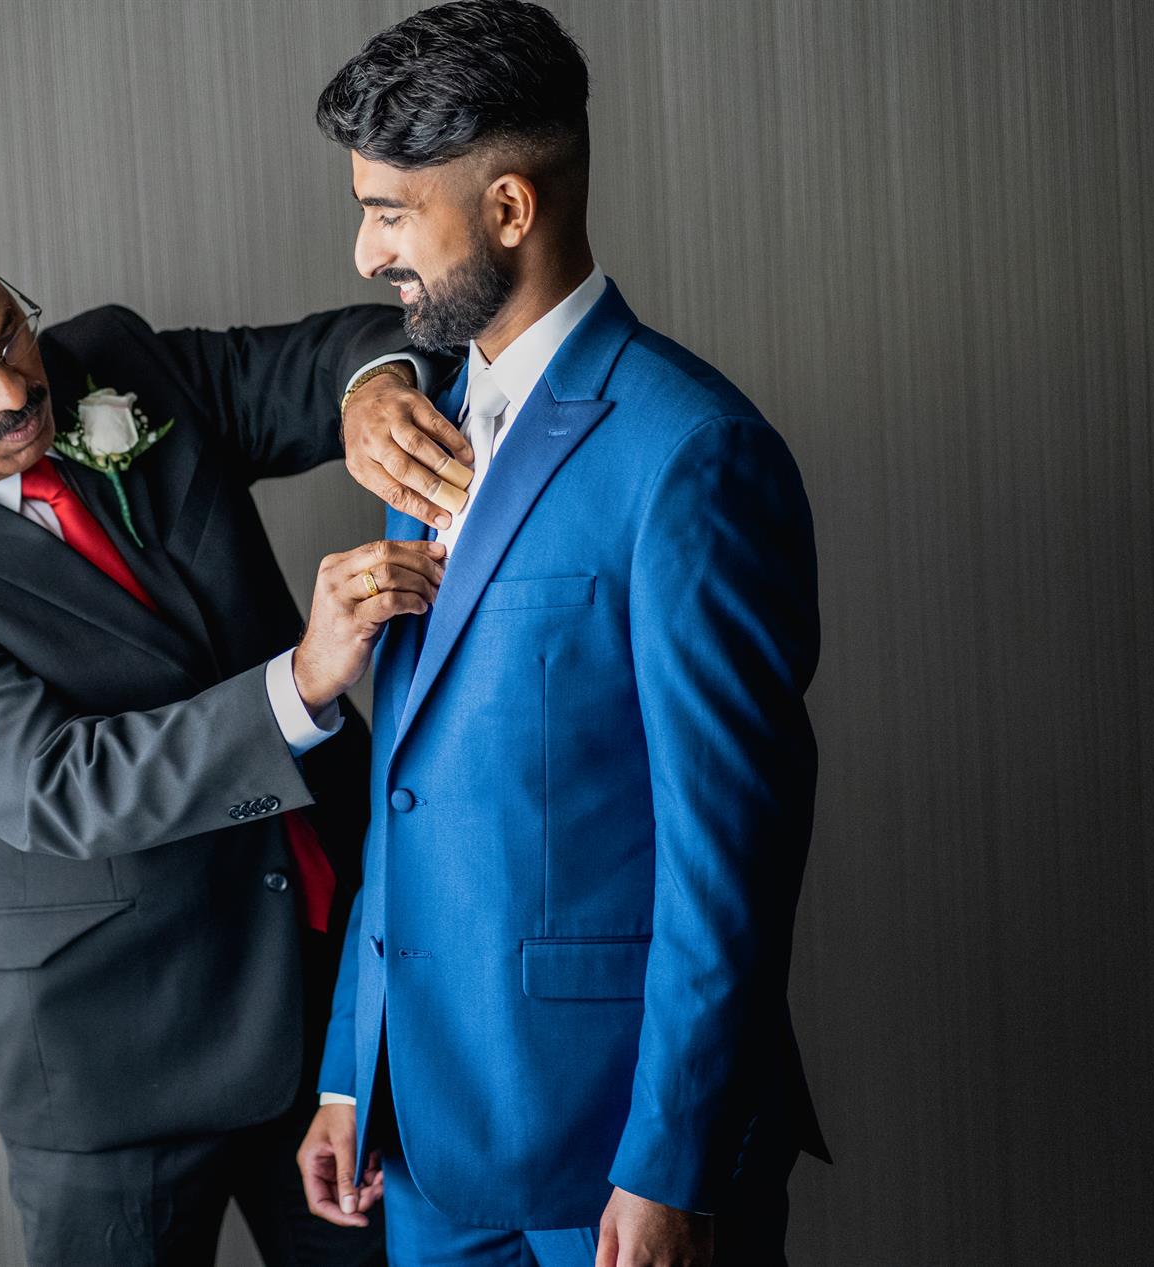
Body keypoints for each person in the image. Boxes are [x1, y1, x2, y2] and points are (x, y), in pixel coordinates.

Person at [0, 173, 454, 1267]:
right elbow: (60, 784)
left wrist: (372, 392)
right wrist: (304, 680)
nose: (11, 390)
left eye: (6, 332)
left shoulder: (115, 362)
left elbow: (337, 353)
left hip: (328, 985)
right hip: (113, 1054)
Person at [298, 5, 830, 1264]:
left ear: (509, 210)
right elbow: (407, 787)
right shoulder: (423, 429)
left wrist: (670, 1160)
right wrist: (350, 1068)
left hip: (612, 1156)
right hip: (423, 1134)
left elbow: (730, 852)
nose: (365, 252)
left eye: (389, 213)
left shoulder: (692, 454)